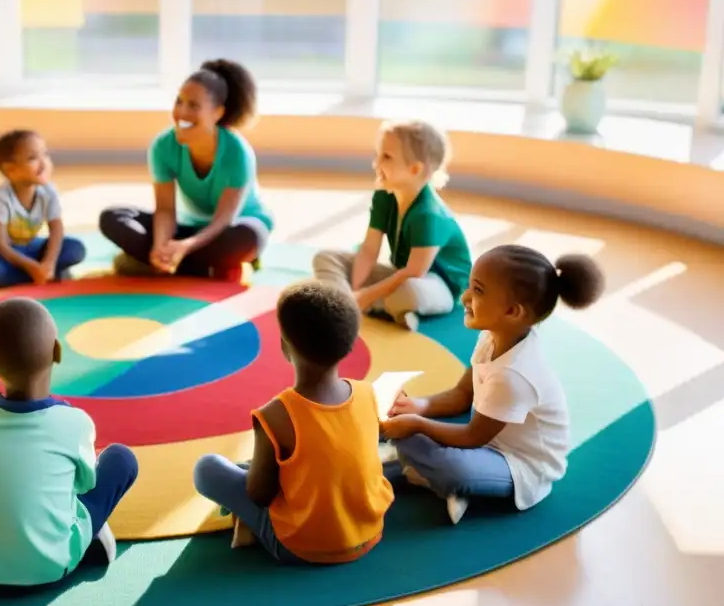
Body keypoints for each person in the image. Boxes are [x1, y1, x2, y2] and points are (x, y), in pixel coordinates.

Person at [380, 245, 606, 525]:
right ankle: (418, 466)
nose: (464, 297)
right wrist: (420, 406)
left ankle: (437, 478)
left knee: (452, 469)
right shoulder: (491, 337)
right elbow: (462, 395)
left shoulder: (514, 375)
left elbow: (473, 437)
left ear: (512, 311)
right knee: (399, 420)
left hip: (520, 466)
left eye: (478, 290)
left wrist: (417, 423)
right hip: (488, 440)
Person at [193, 280, 394, 564]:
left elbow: (259, 494)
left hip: (300, 547)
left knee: (207, 469)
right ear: (349, 346)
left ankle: (253, 528)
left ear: (285, 347)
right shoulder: (367, 393)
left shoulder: (275, 415)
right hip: (370, 533)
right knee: (272, 464)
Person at [0, 297, 139, 586]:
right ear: (57, 351)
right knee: (121, 459)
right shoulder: (74, 422)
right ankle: (84, 537)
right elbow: (84, 485)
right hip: (49, 566)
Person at [99, 59, 273, 282]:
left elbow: (222, 220)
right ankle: (203, 268)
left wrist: (185, 247)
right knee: (113, 218)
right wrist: (162, 245)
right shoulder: (163, 146)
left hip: (228, 228)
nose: (181, 113)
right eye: (179, 102)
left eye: (193, 105)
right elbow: (164, 210)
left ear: (218, 113)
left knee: (250, 237)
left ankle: (157, 264)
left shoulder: (237, 153)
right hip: (186, 228)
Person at [313, 119, 472, 331]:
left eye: (386, 157)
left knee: (409, 292)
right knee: (325, 258)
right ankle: (353, 305)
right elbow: (369, 250)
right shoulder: (385, 196)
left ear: (415, 169)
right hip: (401, 274)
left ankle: (355, 304)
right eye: (378, 155)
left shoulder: (429, 215)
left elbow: (414, 272)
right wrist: (357, 289)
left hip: (438, 287)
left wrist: (366, 296)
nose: (376, 164)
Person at [0, 130, 86, 289]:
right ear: (11, 170)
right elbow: (0, 244)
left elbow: (56, 229)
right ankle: (33, 274)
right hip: (5, 254)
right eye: (32, 158)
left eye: (45, 154)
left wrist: (48, 263)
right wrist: (32, 267)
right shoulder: (2, 198)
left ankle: (13, 278)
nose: (43, 163)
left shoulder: (48, 191)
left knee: (75, 248)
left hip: (32, 248)